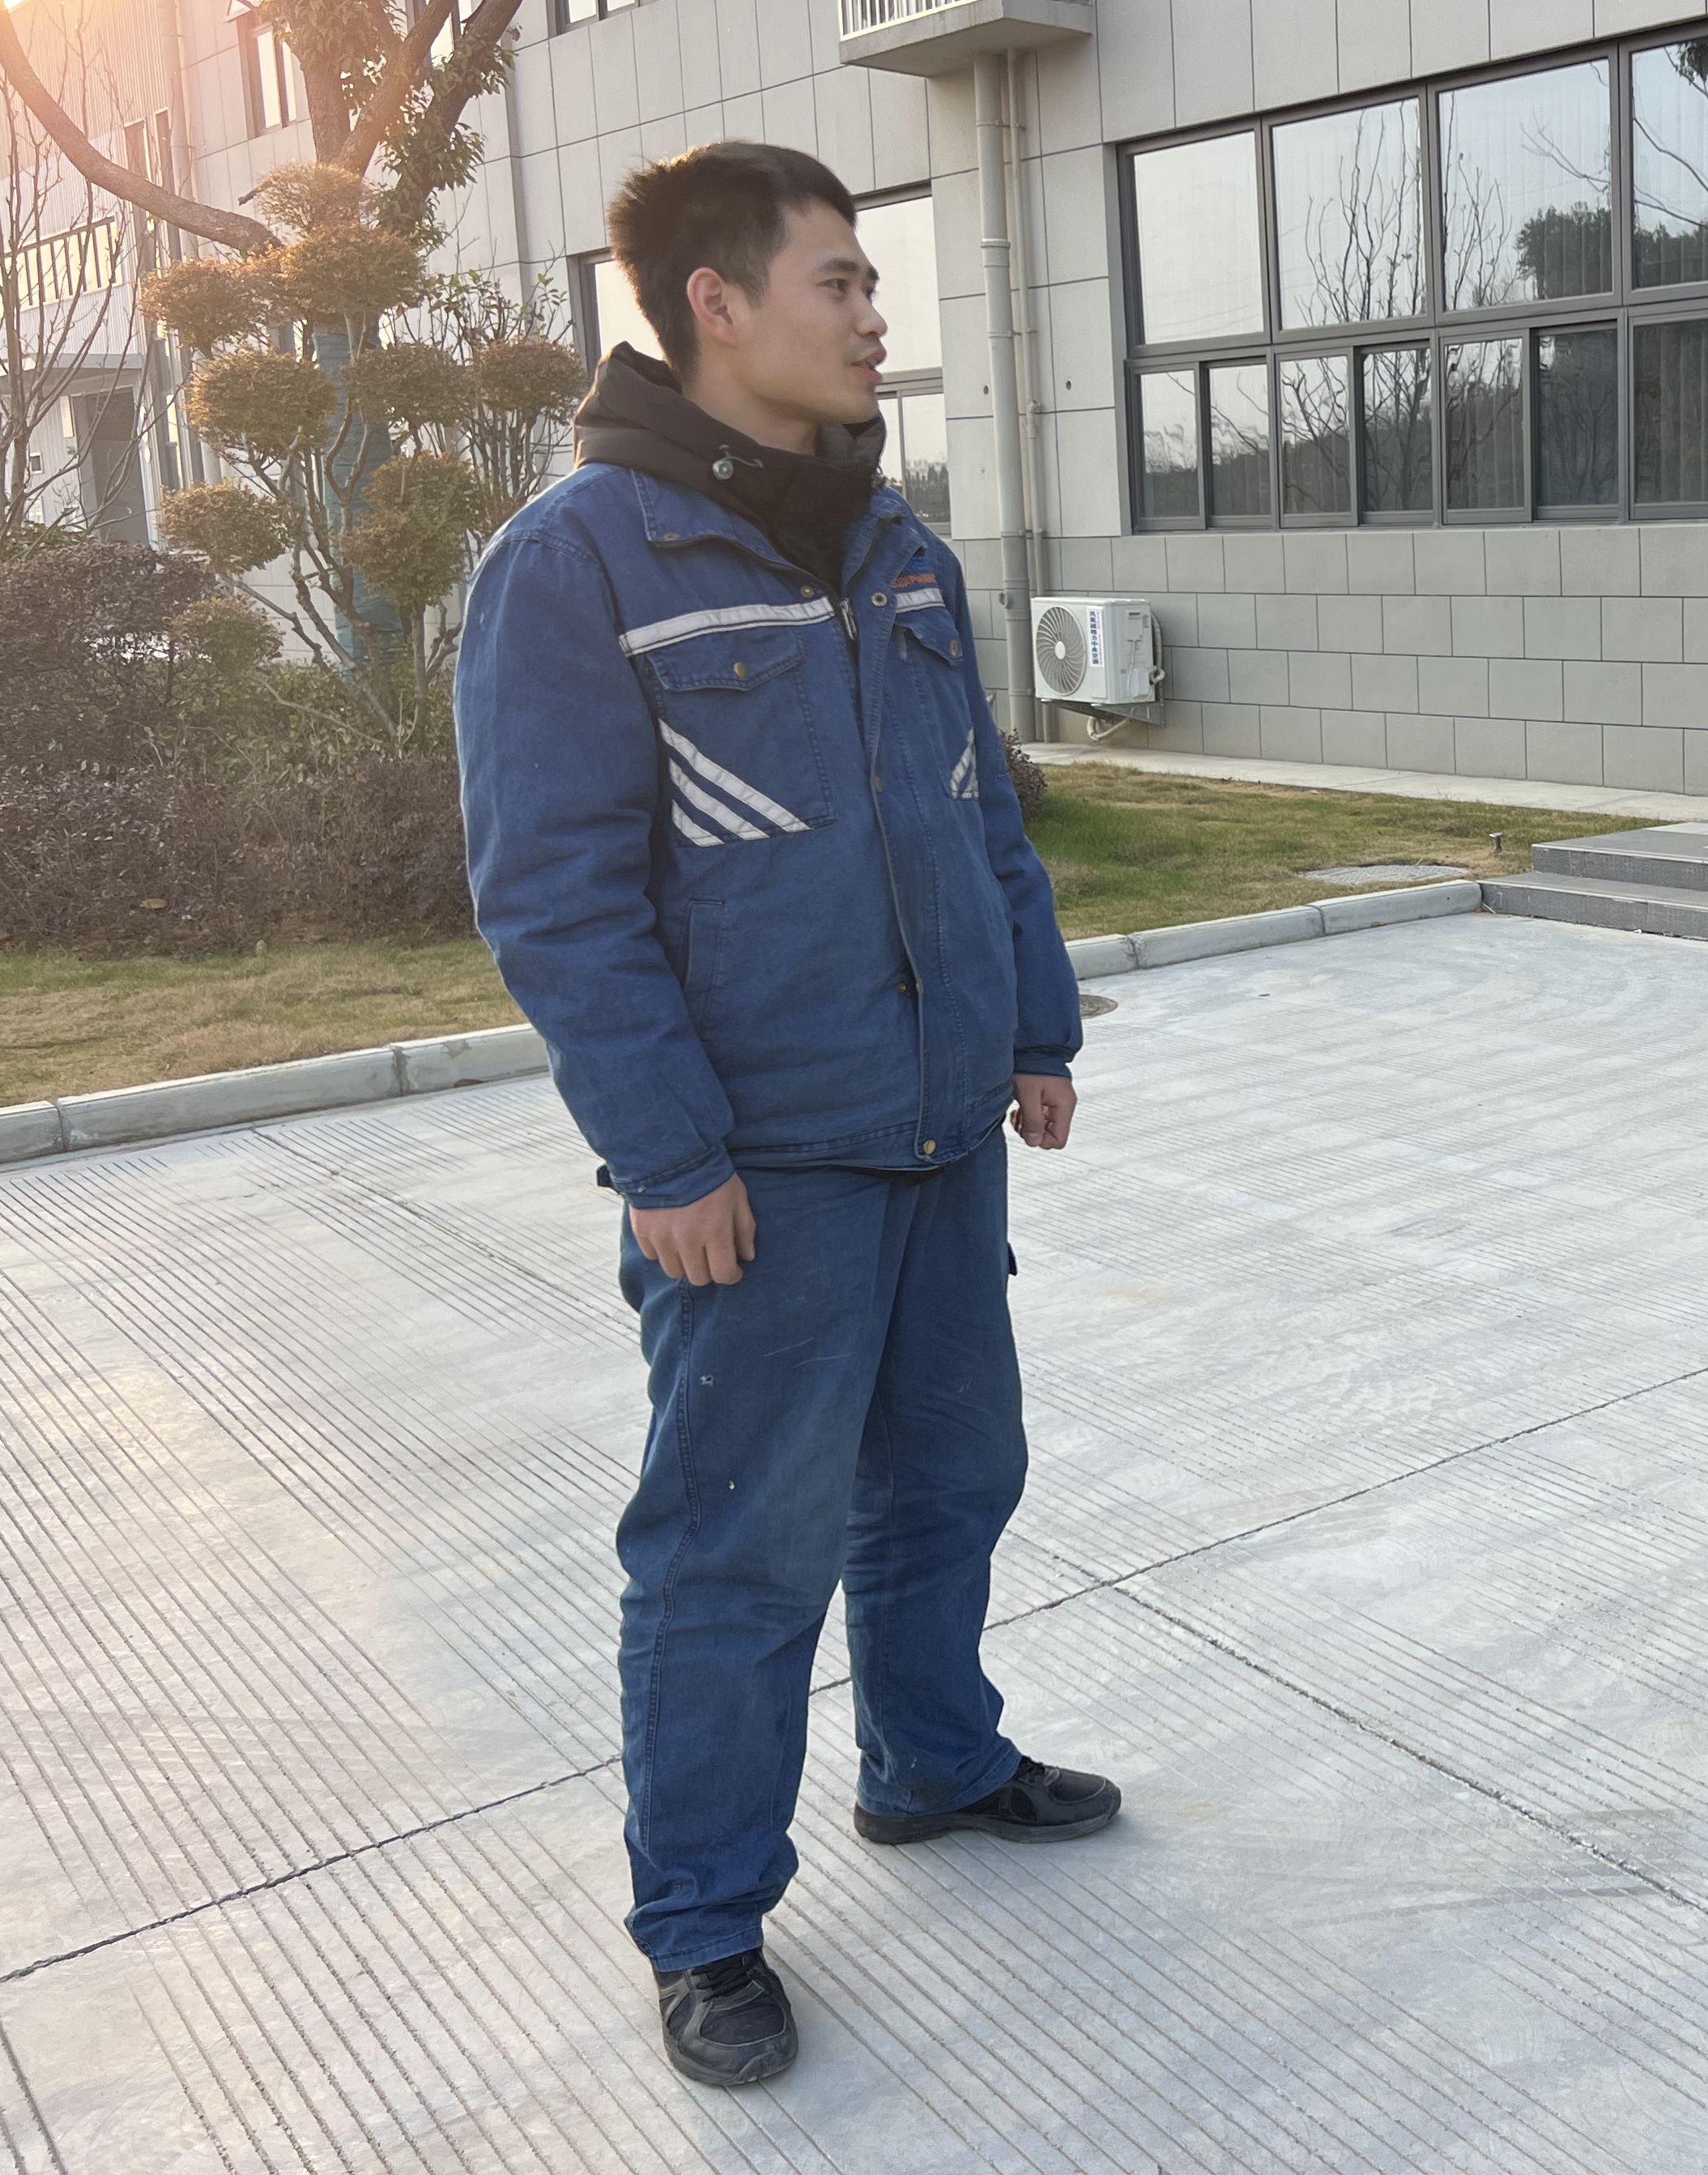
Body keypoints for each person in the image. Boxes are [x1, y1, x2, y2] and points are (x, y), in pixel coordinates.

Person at [457, 142, 1114, 2088]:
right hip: (763, 1170)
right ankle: (706, 1923)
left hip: (941, 1133)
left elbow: (980, 817)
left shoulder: (898, 548)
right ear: (718, 305)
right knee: (737, 1552)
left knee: (953, 1479)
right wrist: (666, 1156)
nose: (874, 317)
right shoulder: (576, 564)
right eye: (842, 281)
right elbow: (554, 897)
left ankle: (934, 1762)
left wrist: (1035, 1026)